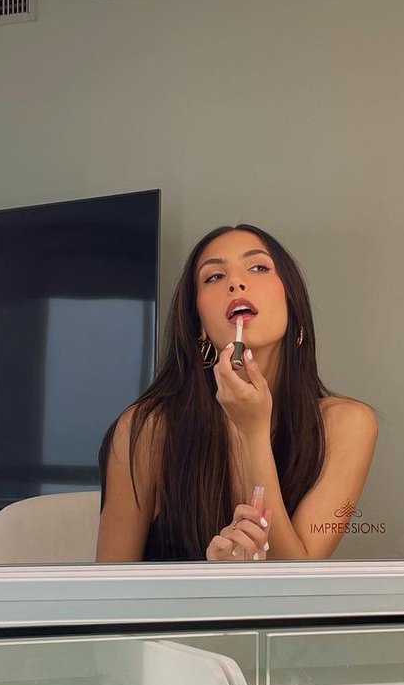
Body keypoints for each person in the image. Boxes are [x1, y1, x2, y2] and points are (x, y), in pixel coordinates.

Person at [96, 223, 379, 562]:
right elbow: (110, 595)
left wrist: (252, 432)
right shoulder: (148, 428)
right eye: (214, 277)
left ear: (293, 303)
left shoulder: (348, 424)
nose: (235, 282)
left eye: (258, 267)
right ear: (199, 324)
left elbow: (298, 584)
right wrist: (211, 586)